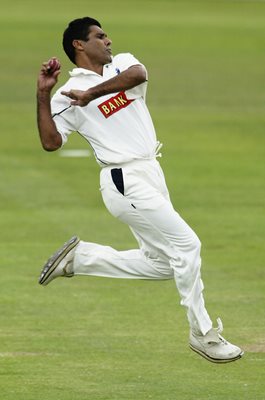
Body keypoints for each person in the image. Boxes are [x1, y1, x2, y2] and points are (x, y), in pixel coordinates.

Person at [36, 16, 243, 363]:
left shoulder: (123, 65)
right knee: (187, 245)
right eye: (100, 36)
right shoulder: (65, 95)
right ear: (79, 45)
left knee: (164, 264)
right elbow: (50, 141)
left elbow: (139, 75)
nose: (108, 41)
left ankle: (83, 258)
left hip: (151, 172)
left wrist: (91, 95)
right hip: (123, 180)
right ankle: (203, 335)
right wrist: (43, 94)